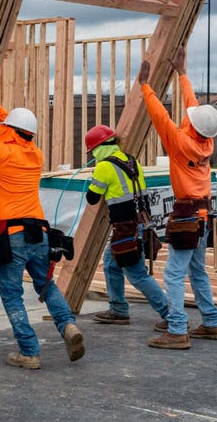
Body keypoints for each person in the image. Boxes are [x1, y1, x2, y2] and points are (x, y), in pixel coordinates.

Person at [0, 72, 84, 370]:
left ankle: (29, 351)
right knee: (45, 286)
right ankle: (67, 326)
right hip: (40, 232)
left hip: (14, 235)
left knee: (11, 294)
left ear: (8, 130)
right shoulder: (35, 154)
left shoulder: (0, 154)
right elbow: (16, 128)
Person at [138, 47, 217, 349]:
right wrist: (182, 73)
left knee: (173, 274)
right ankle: (212, 322)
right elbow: (193, 106)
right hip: (204, 217)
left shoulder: (180, 144)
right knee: (197, 271)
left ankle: (176, 329)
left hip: (188, 217)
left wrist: (145, 87)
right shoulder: (207, 141)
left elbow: (160, 116)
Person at [83, 124, 169, 328]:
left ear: (98, 148)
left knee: (137, 275)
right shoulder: (132, 161)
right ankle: (118, 309)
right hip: (141, 223)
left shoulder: (104, 167)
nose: (93, 155)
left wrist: (94, 178)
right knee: (111, 264)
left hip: (126, 229)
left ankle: (171, 315)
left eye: (93, 151)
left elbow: (92, 198)